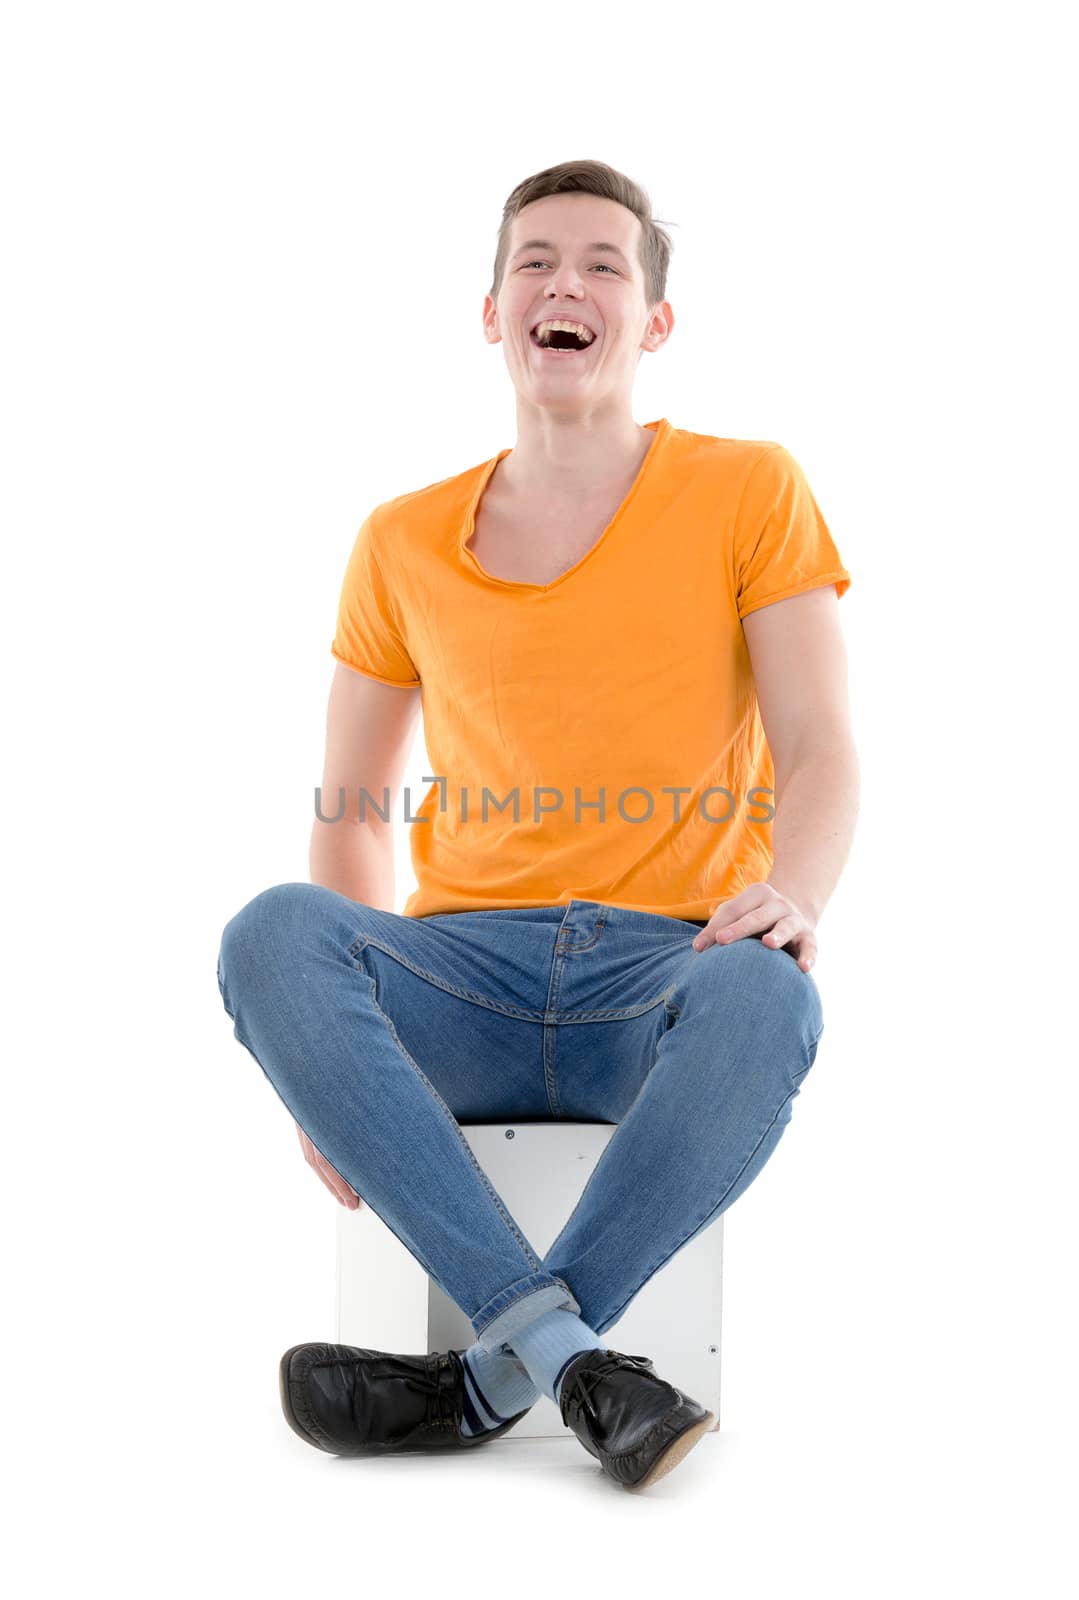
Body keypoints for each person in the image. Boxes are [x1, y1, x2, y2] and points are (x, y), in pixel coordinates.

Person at [216, 158, 859, 1491]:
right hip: (465, 975)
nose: (566, 283)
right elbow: (350, 808)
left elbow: (819, 747)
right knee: (273, 930)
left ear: (653, 322)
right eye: (535, 263)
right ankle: (572, 1368)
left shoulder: (748, 489)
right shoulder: (399, 538)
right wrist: (321, 1062)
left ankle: (492, 1371)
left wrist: (794, 892)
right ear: (493, 311)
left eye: (604, 265)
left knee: (770, 1000)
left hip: (659, 971)